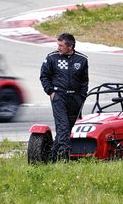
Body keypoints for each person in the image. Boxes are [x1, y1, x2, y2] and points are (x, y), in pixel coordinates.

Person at [40, 33, 89, 161]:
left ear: (70, 46)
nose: (58, 47)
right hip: (58, 96)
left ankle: (52, 158)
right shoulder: (52, 57)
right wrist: (50, 92)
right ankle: (65, 156)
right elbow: (44, 76)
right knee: (63, 126)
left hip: (75, 98)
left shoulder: (82, 59)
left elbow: (85, 81)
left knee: (67, 129)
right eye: (58, 45)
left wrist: (82, 96)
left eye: (61, 45)